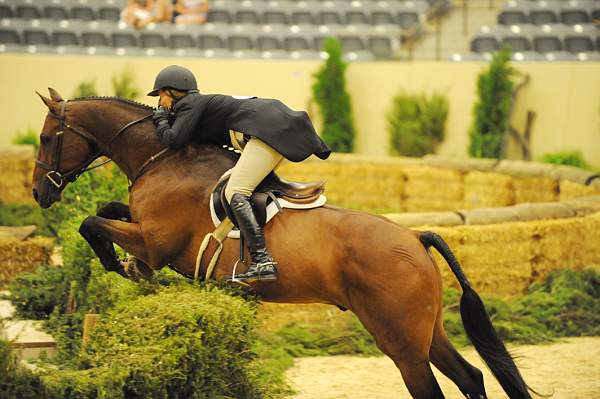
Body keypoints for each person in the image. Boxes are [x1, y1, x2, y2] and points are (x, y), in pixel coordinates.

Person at [148, 65, 331, 283]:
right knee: (239, 185)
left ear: (171, 91)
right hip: (270, 127)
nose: (159, 102)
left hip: (267, 130)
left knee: (235, 191)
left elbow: (173, 140)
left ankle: (262, 261)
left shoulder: (189, 104)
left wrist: (160, 120)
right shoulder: (198, 105)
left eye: (160, 95)